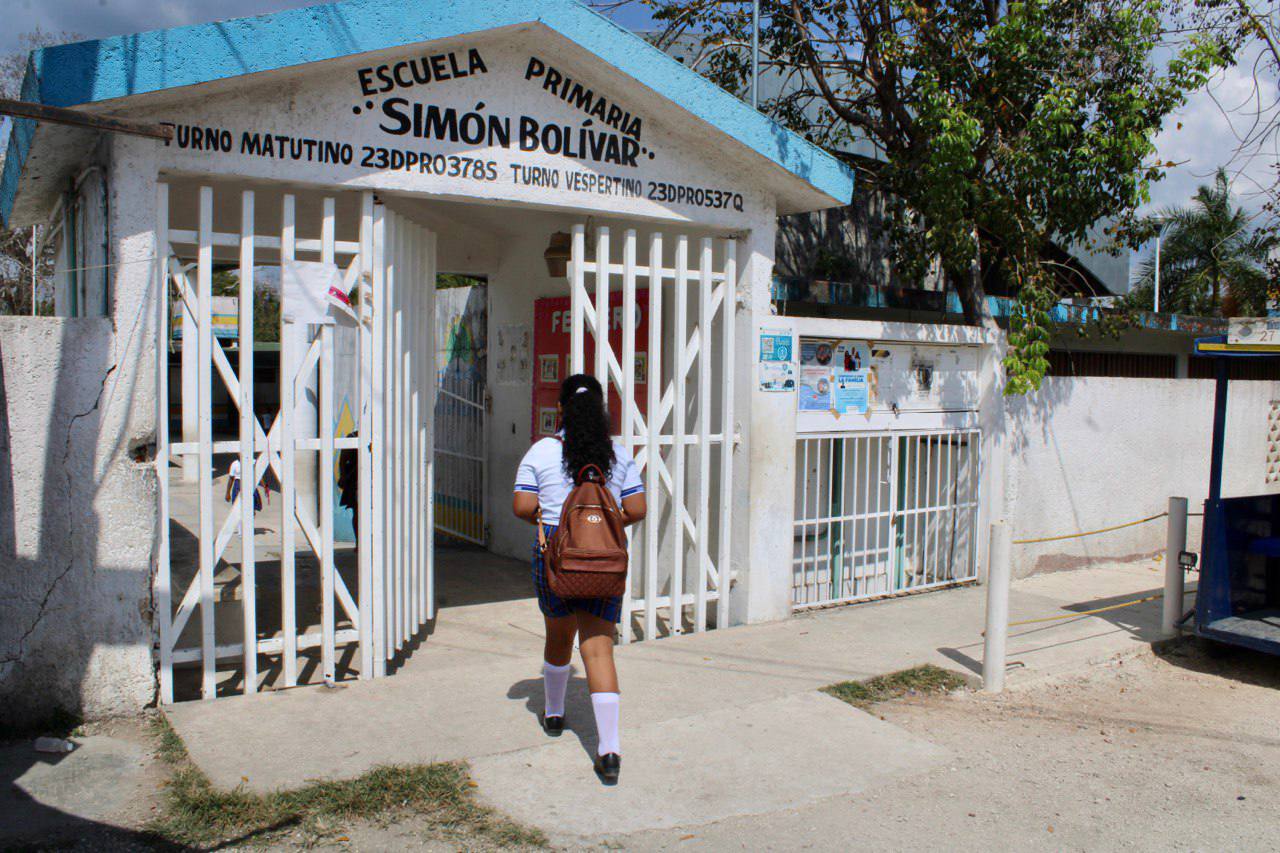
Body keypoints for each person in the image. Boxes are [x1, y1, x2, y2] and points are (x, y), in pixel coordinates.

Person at [512, 374, 646, 784]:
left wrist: (554, 521)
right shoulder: (618, 455)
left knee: (558, 635)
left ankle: (554, 714)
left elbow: (522, 505)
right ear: (602, 411)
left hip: (555, 553)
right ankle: (608, 750)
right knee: (599, 649)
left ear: (562, 410)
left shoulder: (542, 451)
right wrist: (603, 525)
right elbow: (637, 507)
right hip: (603, 559)